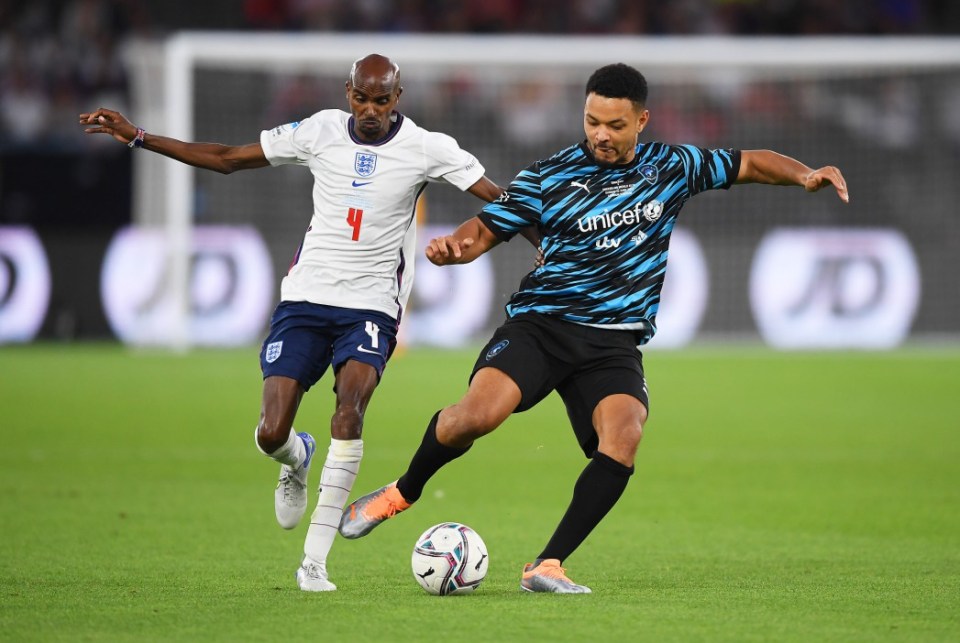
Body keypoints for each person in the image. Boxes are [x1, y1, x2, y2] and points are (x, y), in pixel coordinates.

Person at [338, 62, 849, 593]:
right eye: (592, 121)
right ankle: (401, 491)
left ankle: (547, 565)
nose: (601, 134)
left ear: (642, 120)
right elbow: (486, 228)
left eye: (615, 125)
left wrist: (805, 174)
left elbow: (750, 164)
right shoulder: (549, 175)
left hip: (613, 340)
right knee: (475, 417)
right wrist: (454, 249)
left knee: (624, 435)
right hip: (542, 325)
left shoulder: (672, 165)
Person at [79, 54, 539, 592]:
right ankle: (295, 457)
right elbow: (228, 158)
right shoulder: (318, 131)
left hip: (371, 307)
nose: (370, 110)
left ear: (398, 97)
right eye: (361, 98)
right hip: (305, 300)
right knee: (270, 432)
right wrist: (139, 136)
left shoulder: (426, 147)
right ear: (348, 92)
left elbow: (500, 199)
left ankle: (314, 562)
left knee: (350, 410)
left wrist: (544, 245)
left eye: (381, 101)